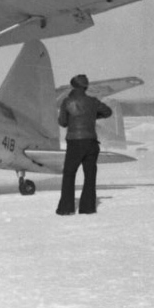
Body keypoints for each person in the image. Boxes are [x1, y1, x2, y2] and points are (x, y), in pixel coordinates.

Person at [56, 74, 113, 215]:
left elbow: (62, 122)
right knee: (90, 175)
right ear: (85, 87)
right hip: (91, 142)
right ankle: (87, 208)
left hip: (74, 142)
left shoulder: (67, 102)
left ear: (73, 86)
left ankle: (66, 208)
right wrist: (94, 116)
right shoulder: (93, 101)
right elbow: (108, 112)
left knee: (69, 174)